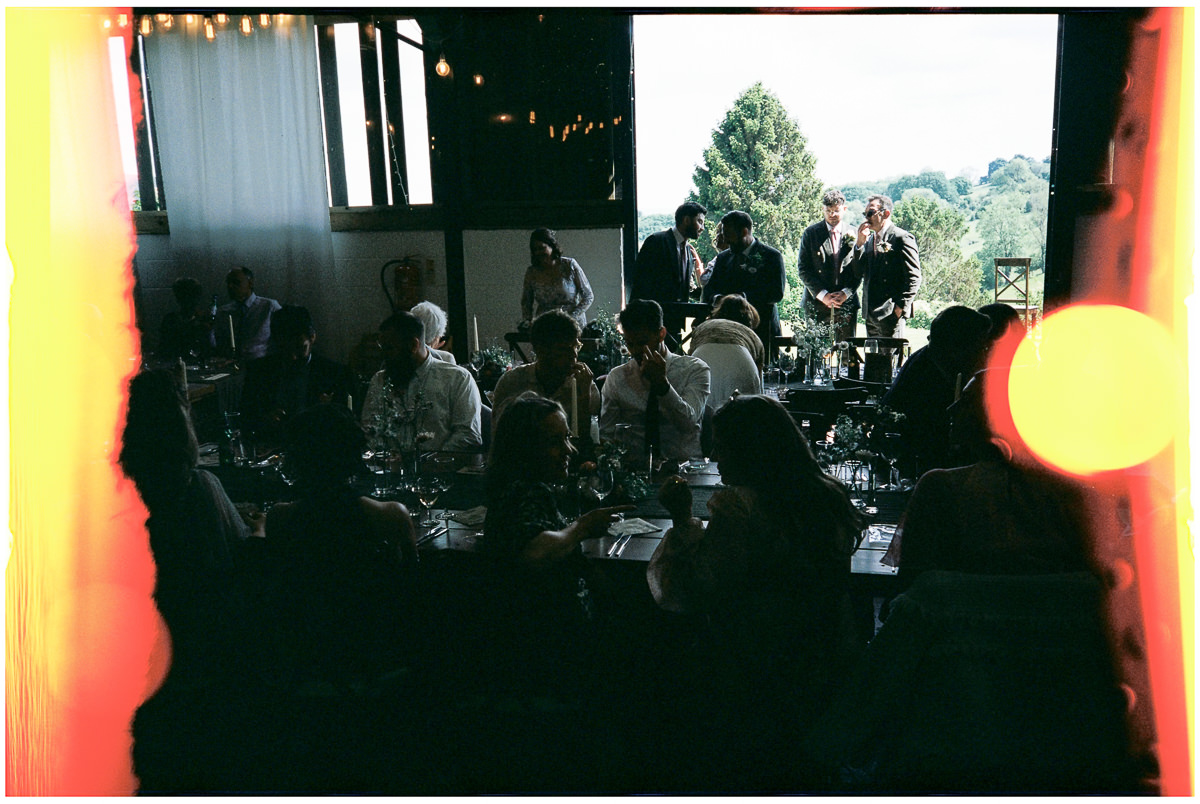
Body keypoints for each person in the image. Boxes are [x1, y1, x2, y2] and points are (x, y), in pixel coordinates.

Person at [645, 394, 866, 788]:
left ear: (750, 451)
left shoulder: (741, 507)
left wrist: (682, 518)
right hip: (825, 654)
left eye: (723, 447)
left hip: (751, 658)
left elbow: (700, 589)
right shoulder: (825, 496)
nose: (717, 457)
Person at [119, 367, 266, 792]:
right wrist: (258, 530)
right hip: (206, 661)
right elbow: (240, 573)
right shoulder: (198, 489)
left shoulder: (112, 494)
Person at [262, 403, 417, 688]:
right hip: (377, 645)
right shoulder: (390, 515)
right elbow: (412, 589)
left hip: (311, 647)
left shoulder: (279, 518)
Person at [600, 299, 710, 466]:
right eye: (630, 344)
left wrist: (663, 386)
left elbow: (688, 424)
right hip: (635, 469)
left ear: (661, 334)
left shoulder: (694, 370)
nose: (636, 351)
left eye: (643, 343)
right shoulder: (618, 377)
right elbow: (607, 436)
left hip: (685, 467)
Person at [882, 305, 992, 471]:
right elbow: (939, 441)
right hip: (914, 469)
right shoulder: (925, 379)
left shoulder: (932, 360)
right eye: (981, 346)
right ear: (958, 347)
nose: (984, 353)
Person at [361, 311, 482, 452]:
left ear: (413, 345)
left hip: (440, 469)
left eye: (390, 348)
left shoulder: (457, 379)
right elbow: (370, 429)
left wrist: (433, 460)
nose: (384, 355)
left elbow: (468, 435)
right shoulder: (379, 380)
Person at [240, 305, 357, 442]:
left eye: (299, 348)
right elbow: (245, 417)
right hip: (271, 445)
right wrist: (265, 419)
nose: (293, 357)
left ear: (312, 337)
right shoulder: (259, 371)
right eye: (285, 349)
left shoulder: (335, 373)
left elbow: (348, 423)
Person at [490, 309, 600, 438]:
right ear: (540, 350)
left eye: (576, 347)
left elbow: (586, 441)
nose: (574, 355)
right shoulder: (513, 383)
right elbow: (499, 438)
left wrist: (584, 397)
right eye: (564, 349)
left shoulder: (585, 385)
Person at [701, 210, 786, 354]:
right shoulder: (723, 258)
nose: (726, 240)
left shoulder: (771, 256)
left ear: (745, 232)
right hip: (726, 333)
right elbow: (709, 290)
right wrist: (718, 299)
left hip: (762, 330)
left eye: (728, 234)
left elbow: (776, 293)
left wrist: (741, 299)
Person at [630, 202, 708, 343]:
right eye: (700, 222)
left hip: (675, 324)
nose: (702, 228)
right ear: (686, 220)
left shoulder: (689, 251)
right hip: (652, 323)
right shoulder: (656, 241)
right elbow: (640, 282)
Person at [850, 194, 922, 338]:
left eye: (870, 213)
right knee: (872, 358)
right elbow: (858, 272)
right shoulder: (869, 240)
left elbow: (914, 277)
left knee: (891, 358)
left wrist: (900, 306)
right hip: (870, 313)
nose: (867, 218)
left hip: (891, 313)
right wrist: (859, 245)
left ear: (886, 213)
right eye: (865, 214)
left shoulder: (902, 237)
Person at [798, 189, 860, 351]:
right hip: (816, 303)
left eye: (836, 211)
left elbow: (860, 269)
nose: (832, 215)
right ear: (823, 210)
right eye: (828, 211)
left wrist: (846, 293)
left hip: (846, 303)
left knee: (846, 355)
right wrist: (823, 295)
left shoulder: (854, 233)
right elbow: (803, 269)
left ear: (844, 209)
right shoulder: (811, 233)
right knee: (816, 354)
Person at [520, 228, 594, 330]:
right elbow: (526, 301)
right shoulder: (532, 272)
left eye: (542, 248)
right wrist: (527, 321)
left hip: (571, 326)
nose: (538, 253)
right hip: (545, 326)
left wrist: (571, 317)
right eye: (535, 249)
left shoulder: (569, 265)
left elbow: (588, 296)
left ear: (552, 246)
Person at [216, 266, 282, 361]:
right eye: (228, 283)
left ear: (250, 283)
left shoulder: (269, 306)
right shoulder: (223, 312)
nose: (230, 286)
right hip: (231, 364)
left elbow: (284, 336)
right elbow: (218, 342)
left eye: (236, 282)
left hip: (264, 363)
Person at [687, 292, 765, 371]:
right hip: (741, 372)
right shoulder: (753, 336)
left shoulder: (703, 327)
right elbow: (759, 368)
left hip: (701, 370)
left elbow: (690, 355)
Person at [158, 276, 215, 362]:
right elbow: (165, 349)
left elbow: (211, 348)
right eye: (183, 297)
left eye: (192, 296)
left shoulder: (205, 319)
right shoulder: (170, 321)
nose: (188, 301)